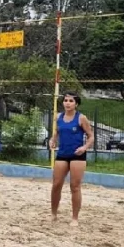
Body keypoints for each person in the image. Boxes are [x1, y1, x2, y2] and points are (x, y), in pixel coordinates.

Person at [48, 92, 94, 226]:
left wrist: (84, 148)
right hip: (62, 154)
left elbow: (91, 136)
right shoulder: (59, 117)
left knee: (75, 186)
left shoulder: (81, 118)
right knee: (56, 185)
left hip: (77, 155)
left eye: (71, 101)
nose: (67, 103)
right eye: (65, 100)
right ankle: (53, 214)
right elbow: (56, 132)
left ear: (76, 104)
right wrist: (53, 140)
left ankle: (75, 218)